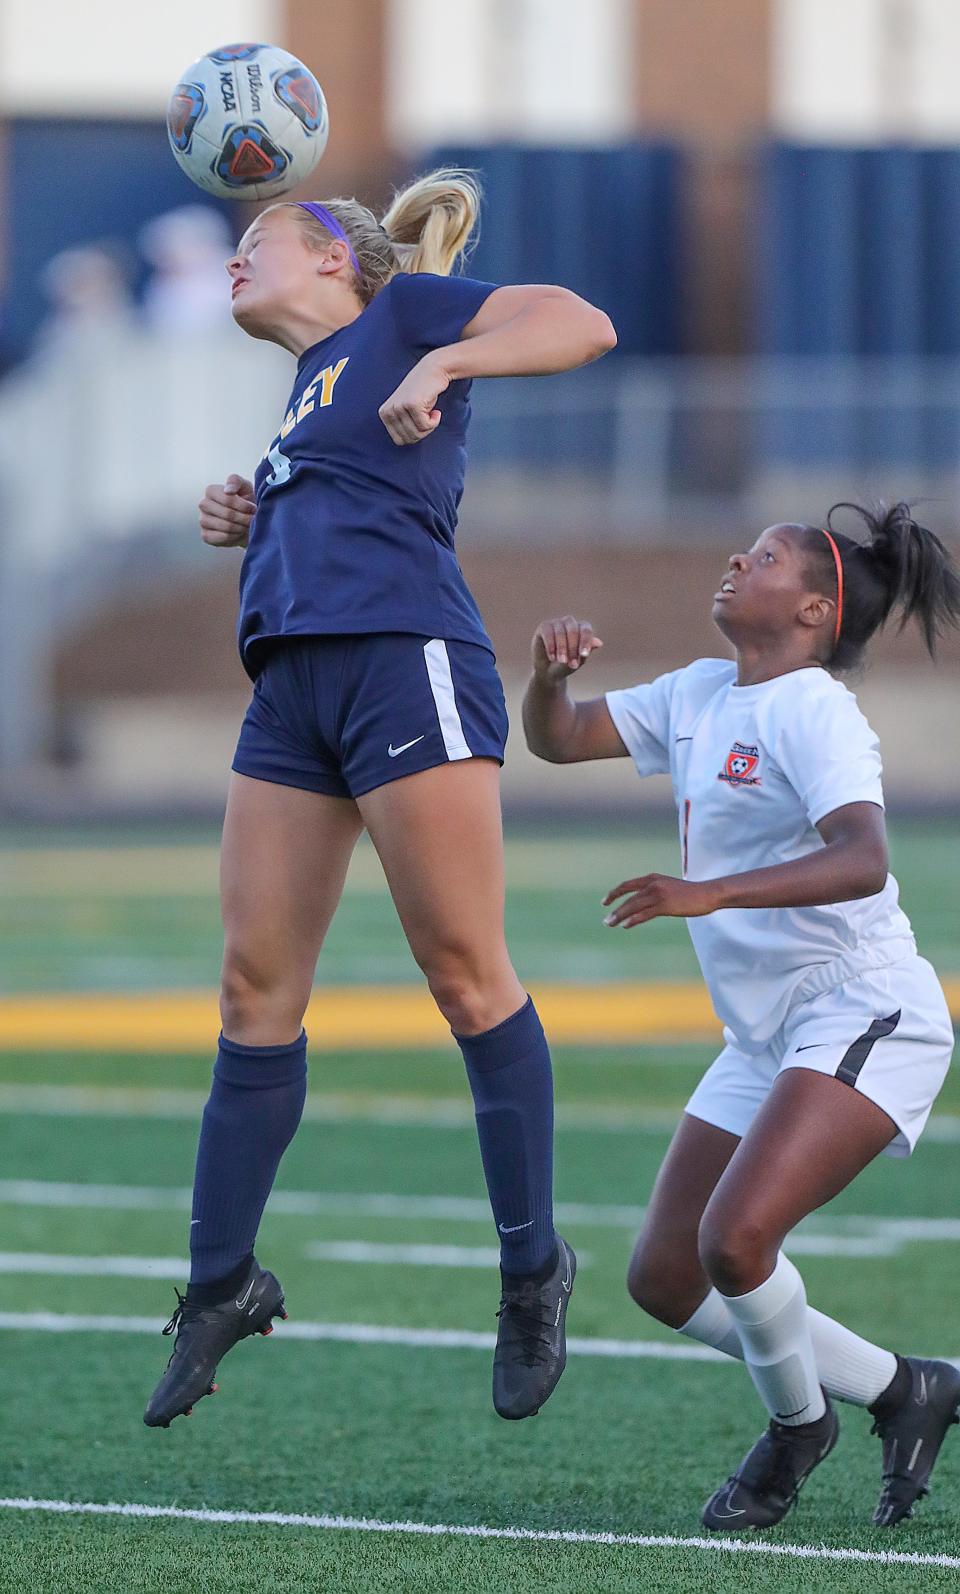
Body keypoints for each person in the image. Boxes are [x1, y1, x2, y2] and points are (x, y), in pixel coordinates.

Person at [143, 169, 615, 1430]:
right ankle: (219, 1283)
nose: (236, 260)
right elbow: (357, 502)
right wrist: (256, 509)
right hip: (291, 686)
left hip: (403, 658)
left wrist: (448, 365)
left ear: (339, 264)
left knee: (465, 971)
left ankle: (532, 1269)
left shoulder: (402, 322)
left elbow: (580, 320)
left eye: (259, 243)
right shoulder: (301, 389)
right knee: (253, 992)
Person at [522, 502, 960, 1530]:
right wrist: (548, 679)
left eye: (762, 557)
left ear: (813, 608)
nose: (735, 558)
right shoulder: (701, 690)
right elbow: (559, 740)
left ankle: (798, 1429)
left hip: (864, 1007)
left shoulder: (813, 707)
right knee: (666, 1272)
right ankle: (908, 1389)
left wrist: (711, 891)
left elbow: (864, 857)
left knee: (735, 1239)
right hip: (768, 1034)